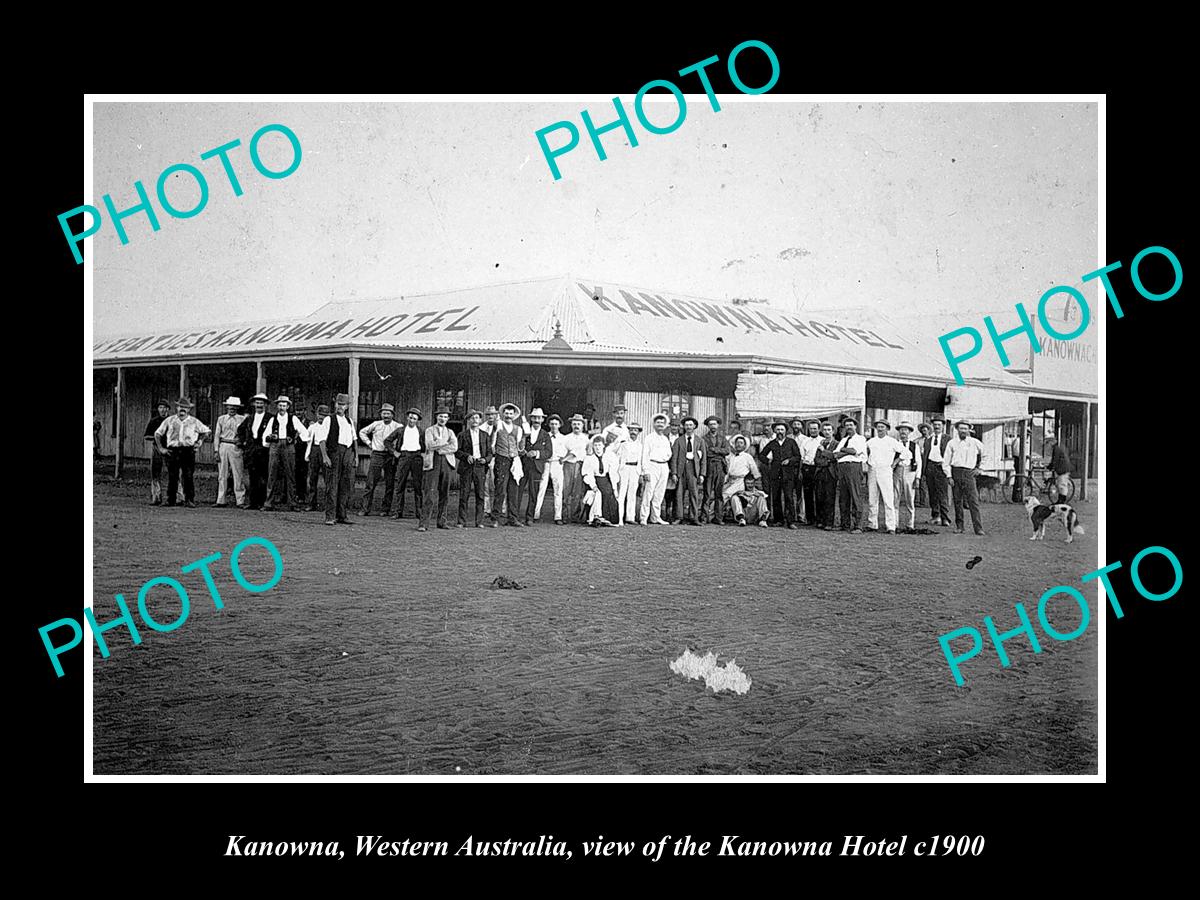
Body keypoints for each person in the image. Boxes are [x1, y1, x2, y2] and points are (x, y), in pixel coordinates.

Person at [153, 398, 211, 507]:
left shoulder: (194, 421)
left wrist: (200, 441)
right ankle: (171, 500)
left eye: (185, 407)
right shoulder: (169, 420)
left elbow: (206, 431)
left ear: (189, 409)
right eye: (180, 407)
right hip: (173, 450)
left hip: (187, 450)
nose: (182, 409)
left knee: (188, 475)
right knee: (172, 476)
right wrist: (161, 448)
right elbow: (157, 434)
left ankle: (189, 500)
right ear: (177, 408)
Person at [261, 395, 310, 511]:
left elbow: (304, 432)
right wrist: (270, 437)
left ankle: (292, 503)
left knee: (290, 474)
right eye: (280, 405)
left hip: (288, 447)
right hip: (275, 445)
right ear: (277, 406)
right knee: (272, 474)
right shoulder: (272, 420)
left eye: (284, 405)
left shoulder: (293, 419)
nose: (282, 407)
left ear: (288, 407)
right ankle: (268, 503)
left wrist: (295, 439)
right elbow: (265, 436)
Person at [316, 393, 356, 526]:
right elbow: (322, 439)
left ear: (347, 407)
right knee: (332, 485)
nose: (340, 407)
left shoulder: (349, 421)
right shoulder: (329, 419)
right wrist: (325, 456)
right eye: (338, 404)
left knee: (345, 485)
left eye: (343, 404)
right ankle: (330, 516)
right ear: (335, 404)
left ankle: (342, 515)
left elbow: (354, 439)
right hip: (334, 453)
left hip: (347, 453)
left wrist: (355, 456)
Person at [864, 420, 909, 534]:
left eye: (882, 427)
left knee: (888, 499)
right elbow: (864, 452)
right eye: (878, 427)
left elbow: (907, 453)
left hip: (885, 470)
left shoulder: (892, 441)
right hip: (872, 469)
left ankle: (891, 526)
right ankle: (872, 524)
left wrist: (895, 462)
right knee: (872, 498)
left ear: (887, 429)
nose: (880, 429)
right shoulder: (871, 441)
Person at [944, 420, 986, 536]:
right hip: (956, 472)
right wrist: (949, 476)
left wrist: (980, 469)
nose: (963, 431)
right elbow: (946, 461)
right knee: (957, 501)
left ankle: (978, 528)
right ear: (957, 429)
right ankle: (959, 526)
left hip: (969, 473)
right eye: (961, 428)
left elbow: (985, 454)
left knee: (973, 501)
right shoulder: (952, 443)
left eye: (965, 428)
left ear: (969, 430)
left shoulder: (975, 442)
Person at [358, 403, 401, 516]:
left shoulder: (398, 426)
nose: (386, 416)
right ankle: (365, 508)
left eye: (388, 413)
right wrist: (369, 443)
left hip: (390, 456)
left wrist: (396, 450)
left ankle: (385, 509)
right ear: (381, 414)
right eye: (384, 413)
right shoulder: (376, 424)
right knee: (370, 482)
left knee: (389, 483)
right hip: (377, 454)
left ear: (392, 415)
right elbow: (362, 432)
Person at [759, 421, 802, 528]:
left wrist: (789, 461)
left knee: (789, 497)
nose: (780, 432)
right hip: (775, 474)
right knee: (776, 497)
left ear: (786, 431)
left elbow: (798, 457)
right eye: (778, 430)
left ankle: (790, 521)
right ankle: (779, 520)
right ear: (774, 431)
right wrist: (768, 461)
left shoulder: (791, 442)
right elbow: (762, 455)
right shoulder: (772, 443)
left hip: (788, 475)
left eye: (782, 430)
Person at [423, 405, 459, 531]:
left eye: (445, 416)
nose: (443, 419)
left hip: (447, 462)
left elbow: (454, 447)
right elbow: (429, 445)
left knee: (445, 493)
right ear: (436, 417)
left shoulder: (450, 432)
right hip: (433, 462)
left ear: (448, 418)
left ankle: (442, 522)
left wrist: (439, 448)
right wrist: (445, 443)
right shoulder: (429, 430)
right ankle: (424, 523)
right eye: (440, 416)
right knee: (430, 493)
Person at [385, 408, 425, 520]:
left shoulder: (421, 431)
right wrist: (394, 452)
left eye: (414, 419)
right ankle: (398, 511)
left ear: (417, 420)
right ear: (407, 418)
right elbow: (387, 441)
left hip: (417, 457)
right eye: (410, 418)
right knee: (400, 484)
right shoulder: (400, 430)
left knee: (417, 485)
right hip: (404, 457)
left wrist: (423, 455)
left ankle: (419, 512)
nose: (412, 420)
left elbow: (425, 446)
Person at [488, 403, 524, 527]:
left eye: (511, 414)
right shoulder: (498, 425)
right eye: (506, 413)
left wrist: (518, 454)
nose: (508, 416)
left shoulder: (518, 429)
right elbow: (492, 443)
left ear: (514, 415)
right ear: (503, 414)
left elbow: (519, 446)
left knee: (513, 489)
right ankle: (495, 518)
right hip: (501, 459)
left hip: (514, 459)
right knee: (500, 489)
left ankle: (513, 518)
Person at [456, 409, 492, 528]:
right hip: (467, 467)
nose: (474, 420)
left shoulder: (485, 435)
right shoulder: (462, 435)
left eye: (477, 418)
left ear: (480, 420)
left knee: (480, 494)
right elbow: (457, 451)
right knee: (464, 494)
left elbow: (490, 453)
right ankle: (462, 521)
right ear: (468, 421)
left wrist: (485, 460)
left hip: (480, 467)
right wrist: (466, 456)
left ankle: (479, 521)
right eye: (472, 418)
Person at [724, 436, 769, 526]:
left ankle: (760, 518)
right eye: (737, 443)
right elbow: (727, 471)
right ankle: (717, 516)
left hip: (741, 481)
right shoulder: (730, 456)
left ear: (745, 446)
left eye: (741, 443)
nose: (738, 445)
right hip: (730, 480)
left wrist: (756, 484)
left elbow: (755, 471)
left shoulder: (747, 457)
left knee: (725, 496)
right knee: (721, 495)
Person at [237, 393, 272, 510]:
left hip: (264, 451)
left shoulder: (270, 418)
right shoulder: (250, 418)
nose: (259, 405)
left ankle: (262, 502)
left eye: (262, 403)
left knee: (263, 477)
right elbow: (240, 430)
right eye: (257, 403)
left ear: (265, 405)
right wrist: (244, 442)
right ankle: (253, 502)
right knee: (253, 477)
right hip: (252, 452)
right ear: (254, 404)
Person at [669, 416, 706, 525]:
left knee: (694, 494)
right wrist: (674, 473)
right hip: (681, 470)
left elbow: (703, 459)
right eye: (686, 425)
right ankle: (679, 517)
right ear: (684, 427)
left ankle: (693, 517)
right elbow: (674, 458)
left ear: (694, 426)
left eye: (690, 425)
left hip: (694, 470)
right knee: (679, 494)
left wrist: (702, 474)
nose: (688, 427)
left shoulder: (700, 441)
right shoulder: (678, 441)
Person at [834, 418, 867, 533]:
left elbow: (854, 451)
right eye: (846, 425)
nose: (849, 427)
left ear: (855, 426)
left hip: (853, 466)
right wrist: (845, 450)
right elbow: (836, 455)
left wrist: (844, 450)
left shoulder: (860, 439)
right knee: (843, 497)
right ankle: (845, 524)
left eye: (851, 425)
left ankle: (858, 525)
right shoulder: (843, 440)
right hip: (842, 468)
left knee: (855, 496)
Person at [213, 396, 247, 508]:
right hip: (223, 445)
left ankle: (240, 500)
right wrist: (216, 450)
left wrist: (242, 442)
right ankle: (221, 500)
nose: (232, 409)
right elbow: (217, 435)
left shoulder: (242, 419)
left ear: (237, 408)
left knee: (238, 474)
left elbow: (246, 434)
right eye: (230, 407)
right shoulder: (221, 419)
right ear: (226, 407)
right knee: (222, 474)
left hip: (235, 447)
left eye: (234, 407)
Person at [519, 408, 552, 525]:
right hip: (523, 466)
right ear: (531, 418)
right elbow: (518, 445)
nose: (537, 420)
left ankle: (529, 517)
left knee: (534, 493)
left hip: (537, 467)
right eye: (534, 417)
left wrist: (537, 453)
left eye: (539, 418)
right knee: (518, 490)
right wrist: (521, 451)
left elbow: (549, 452)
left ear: (542, 420)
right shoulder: (524, 431)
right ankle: (514, 516)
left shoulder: (545, 435)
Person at [534, 413, 568, 525]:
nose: (554, 426)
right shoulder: (544, 436)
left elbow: (571, 451)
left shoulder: (564, 438)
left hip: (557, 464)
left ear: (559, 425)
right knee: (541, 488)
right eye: (552, 424)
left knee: (558, 490)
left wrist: (564, 458)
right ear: (549, 424)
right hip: (546, 463)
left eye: (556, 424)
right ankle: (536, 514)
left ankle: (558, 516)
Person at [639, 414, 673, 526]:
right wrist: (645, 471)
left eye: (662, 423)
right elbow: (645, 455)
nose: (660, 425)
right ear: (654, 424)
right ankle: (643, 517)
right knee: (648, 492)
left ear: (665, 425)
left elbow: (669, 453)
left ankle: (655, 517)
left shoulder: (665, 439)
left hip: (663, 466)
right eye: (658, 422)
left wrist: (664, 460)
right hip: (652, 465)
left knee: (659, 493)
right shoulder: (649, 438)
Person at [700, 415, 731, 525]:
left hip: (720, 467)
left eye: (714, 424)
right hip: (709, 466)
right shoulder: (704, 439)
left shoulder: (722, 438)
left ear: (718, 425)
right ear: (708, 426)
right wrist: (718, 451)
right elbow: (705, 452)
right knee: (707, 493)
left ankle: (719, 518)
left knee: (719, 494)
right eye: (710, 424)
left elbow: (727, 451)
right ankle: (704, 518)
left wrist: (715, 450)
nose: (713, 426)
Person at [144, 400, 175, 506]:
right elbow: (147, 436)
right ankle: (156, 497)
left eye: (164, 407)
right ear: (158, 409)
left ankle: (178, 497)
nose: (162, 410)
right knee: (155, 472)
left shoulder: (173, 420)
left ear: (168, 409)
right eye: (160, 407)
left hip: (170, 449)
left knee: (174, 473)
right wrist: (158, 437)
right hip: (157, 449)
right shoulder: (154, 421)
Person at [581, 434, 617, 525]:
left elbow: (613, 472)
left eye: (599, 445)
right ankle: (595, 517)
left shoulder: (608, 457)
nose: (597, 448)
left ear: (603, 446)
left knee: (609, 494)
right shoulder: (589, 458)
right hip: (593, 480)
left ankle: (607, 518)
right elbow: (587, 474)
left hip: (604, 479)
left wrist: (614, 487)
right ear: (593, 446)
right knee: (597, 494)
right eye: (596, 445)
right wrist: (593, 486)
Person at [894, 422, 922, 532]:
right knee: (895, 498)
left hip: (910, 471)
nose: (903, 432)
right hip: (897, 471)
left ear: (909, 432)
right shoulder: (895, 444)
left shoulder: (914, 446)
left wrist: (917, 478)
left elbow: (919, 462)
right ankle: (894, 524)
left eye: (906, 430)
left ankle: (910, 524)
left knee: (910, 499)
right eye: (901, 430)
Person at [561, 413, 590, 523]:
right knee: (566, 490)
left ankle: (575, 516)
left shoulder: (586, 439)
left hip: (580, 465)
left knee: (577, 491)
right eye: (574, 424)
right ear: (571, 425)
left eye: (579, 424)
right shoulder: (566, 438)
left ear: (582, 425)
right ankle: (564, 515)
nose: (576, 426)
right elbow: (563, 452)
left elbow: (588, 453)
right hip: (568, 465)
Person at [923, 417, 952, 526]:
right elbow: (925, 455)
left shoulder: (948, 439)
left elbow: (951, 454)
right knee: (932, 493)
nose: (936, 427)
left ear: (943, 426)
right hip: (930, 467)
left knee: (942, 493)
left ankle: (945, 518)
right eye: (935, 425)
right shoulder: (928, 440)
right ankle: (936, 516)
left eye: (939, 425)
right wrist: (924, 471)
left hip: (941, 468)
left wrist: (945, 464)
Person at [615, 421, 644, 525]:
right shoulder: (623, 443)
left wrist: (640, 473)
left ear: (638, 432)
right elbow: (617, 456)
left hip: (635, 469)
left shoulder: (640, 445)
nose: (633, 432)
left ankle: (630, 517)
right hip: (624, 469)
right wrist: (617, 471)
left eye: (635, 430)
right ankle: (619, 517)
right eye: (631, 430)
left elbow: (641, 460)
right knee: (621, 493)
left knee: (632, 494)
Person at [813, 422, 839, 529]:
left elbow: (834, 457)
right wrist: (825, 461)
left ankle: (829, 522)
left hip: (830, 473)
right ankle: (820, 521)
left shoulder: (837, 444)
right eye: (825, 430)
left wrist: (824, 452)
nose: (827, 432)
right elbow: (816, 459)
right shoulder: (821, 443)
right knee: (819, 497)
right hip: (820, 472)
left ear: (833, 431)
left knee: (829, 497)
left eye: (829, 430)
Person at [797, 419, 823, 526]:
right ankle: (809, 518)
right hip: (807, 468)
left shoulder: (823, 440)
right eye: (811, 429)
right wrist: (800, 471)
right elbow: (801, 458)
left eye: (815, 429)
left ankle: (820, 519)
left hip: (818, 468)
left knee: (819, 494)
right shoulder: (805, 441)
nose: (813, 431)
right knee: (807, 494)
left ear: (819, 429)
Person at [305, 404, 330, 511]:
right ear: (316, 414)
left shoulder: (329, 426)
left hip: (325, 452)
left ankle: (328, 505)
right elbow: (307, 438)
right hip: (314, 451)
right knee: (312, 479)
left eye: (324, 415)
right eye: (320, 414)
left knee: (327, 479)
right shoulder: (312, 427)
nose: (321, 417)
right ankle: (311, 503)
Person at [481, 405, 499, 517]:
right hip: (487, 458)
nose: (490, 417)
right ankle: (486, 509)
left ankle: (500, 508)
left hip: (499, 457)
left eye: (493, 414)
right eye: (488, 415)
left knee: (499, 483)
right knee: (486, 484)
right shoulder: (482, 428)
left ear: (497, 415)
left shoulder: (501, 426)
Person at [1047, 436, 1073, 501]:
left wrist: (1050, 466)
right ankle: (1060, 500)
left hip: (1063, 469)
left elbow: (1055, 460)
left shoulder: (1056, 449)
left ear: (1052, 442)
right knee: (1060, 485)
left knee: (1062, 485)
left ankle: (1062, 501)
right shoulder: (1058, 447)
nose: (1048, 445)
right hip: (1063, 468)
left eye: (1048, 442)